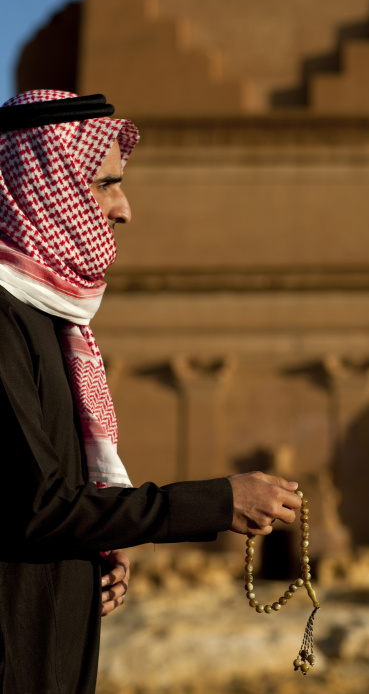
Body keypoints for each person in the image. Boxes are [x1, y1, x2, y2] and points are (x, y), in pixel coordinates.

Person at [0, 89, 302, 693]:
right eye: (105, 184)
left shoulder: (51, 320)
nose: (124, 208)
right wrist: (216, 503)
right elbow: (34, 506)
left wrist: (100, 546)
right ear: (42, 188)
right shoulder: (4, 319)